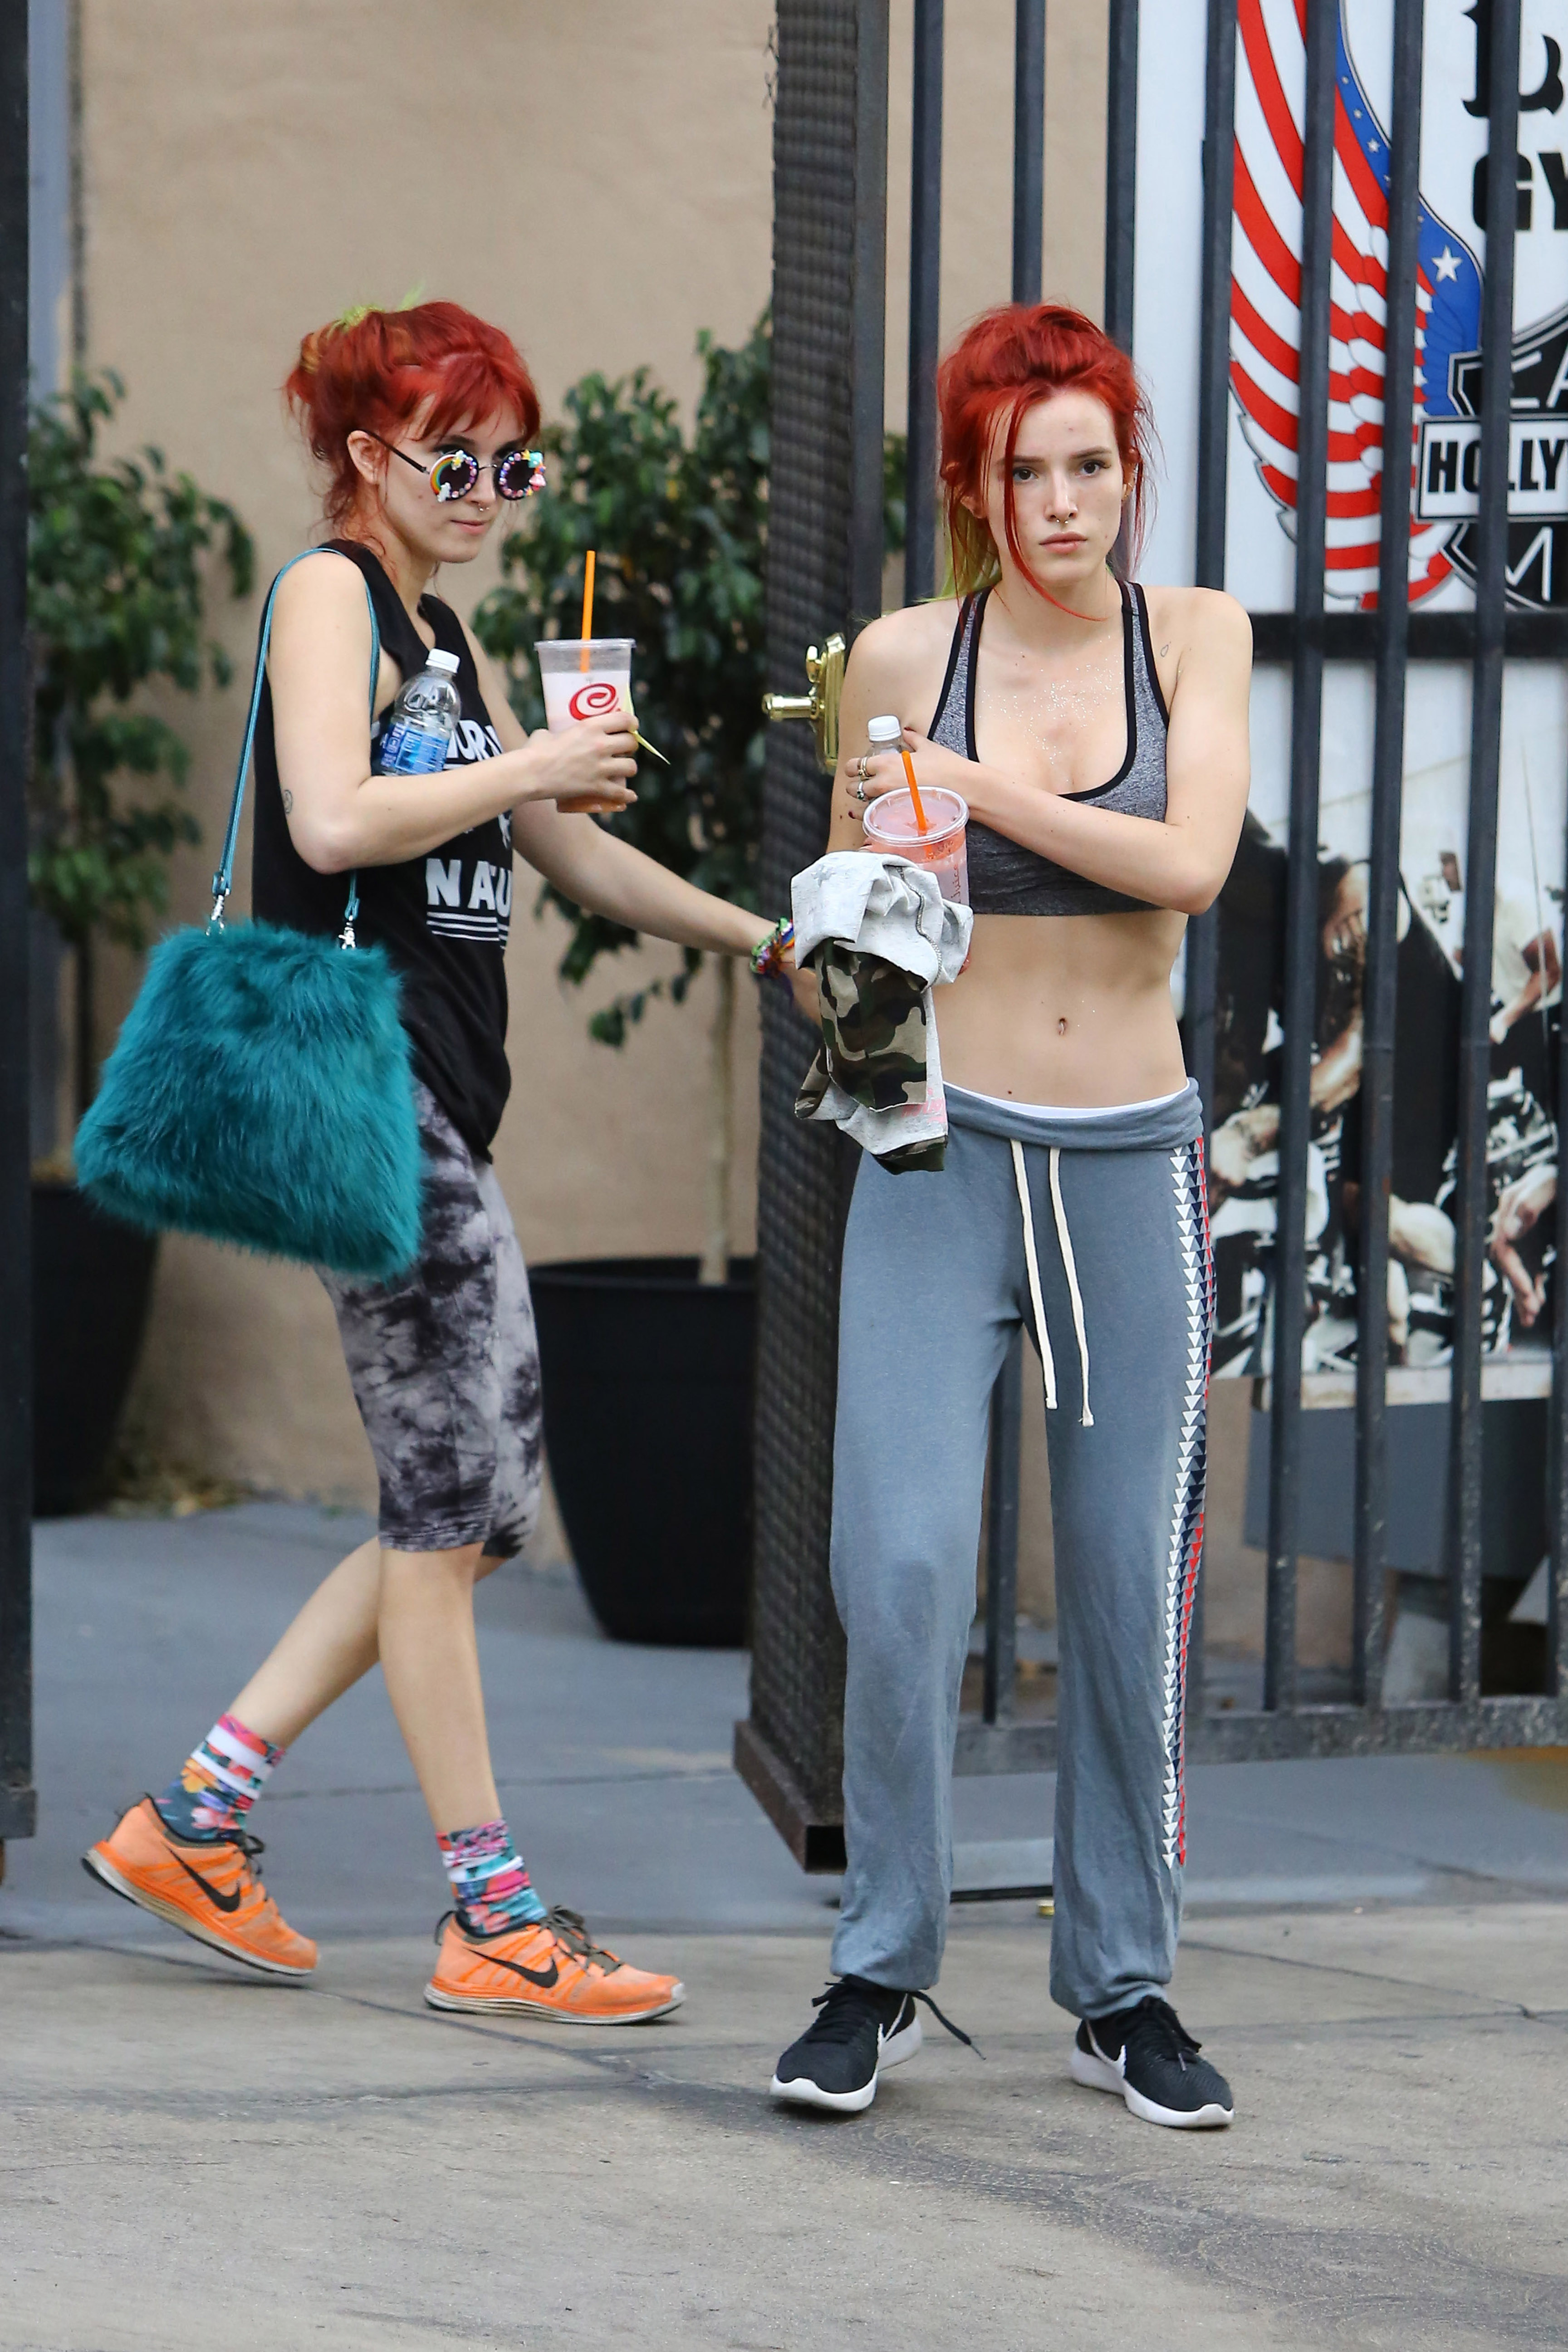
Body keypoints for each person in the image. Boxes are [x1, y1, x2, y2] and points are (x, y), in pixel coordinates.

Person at [85, 302, 788, 2022]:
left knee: (459, 1514)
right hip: (372, 1091)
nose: (486, 493)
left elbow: (574, 858)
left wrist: (768, 942)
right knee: (451, 1503)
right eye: (453, 461)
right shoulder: (330, 596)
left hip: (444, 1106)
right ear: (362, 456)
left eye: (511, 468)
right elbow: (328, 819)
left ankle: (196, 1820)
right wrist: (528, 761)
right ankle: (491, 1913)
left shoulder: (450, 638)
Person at [769, 304, 1252, 2125]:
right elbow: (857, 937)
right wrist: (839, 942)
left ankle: (1124, 1989)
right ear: (975, 487)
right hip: (938, 1150)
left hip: (1129, 1158)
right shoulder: (907, 656)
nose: (1064, 502)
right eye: (1024, 469)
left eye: (1092, 464)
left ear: (1130, 472)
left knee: (1125, 1583)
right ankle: (881, 1967)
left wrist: (971, 787)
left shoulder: (1195, 637)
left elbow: (1189, 866)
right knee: (896, 1563)